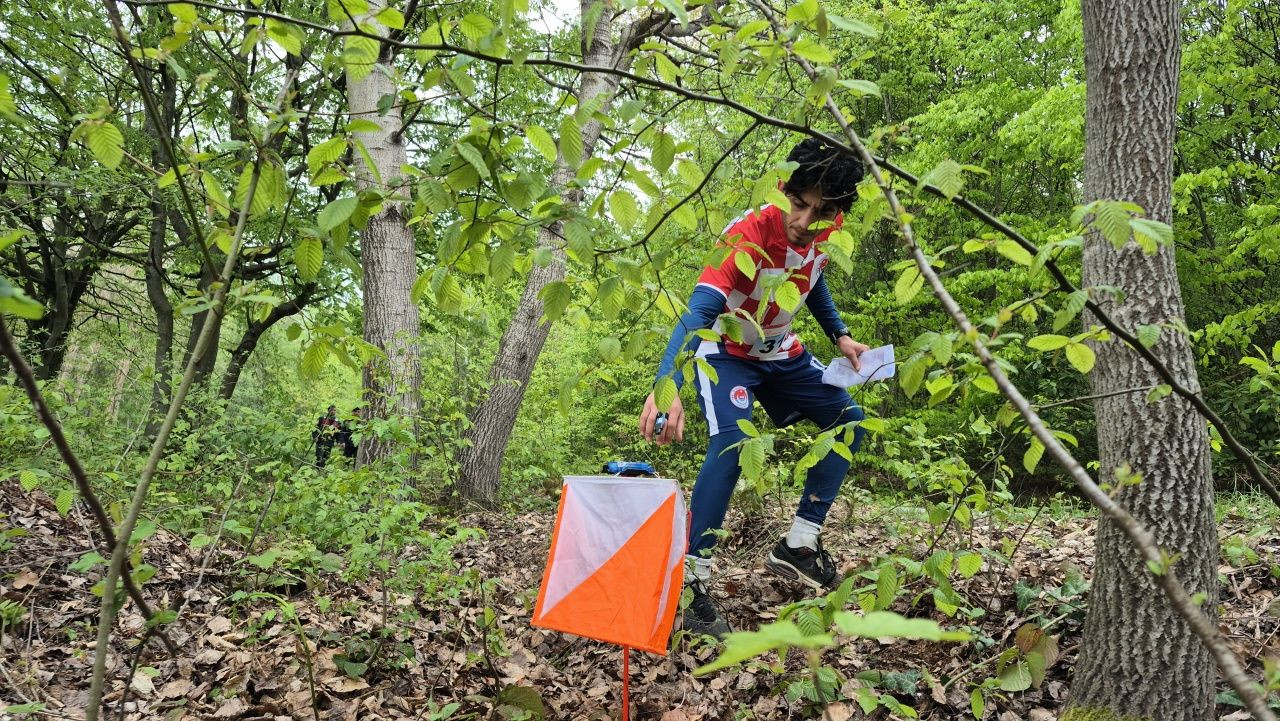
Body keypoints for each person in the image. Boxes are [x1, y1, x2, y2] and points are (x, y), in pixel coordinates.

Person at [638, 138, 870, 638]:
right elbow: (699, 311)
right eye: (798, 203)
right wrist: (666, 385)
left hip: (780, 350)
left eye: (821, 211)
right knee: (733, 442)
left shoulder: (827, 230)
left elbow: (813, 280)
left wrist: (841, 334)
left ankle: (799, 545)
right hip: (726, 349)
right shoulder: (749, 232)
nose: (806, 221)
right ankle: (692, 582)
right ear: (784, 189)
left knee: (849, 421)